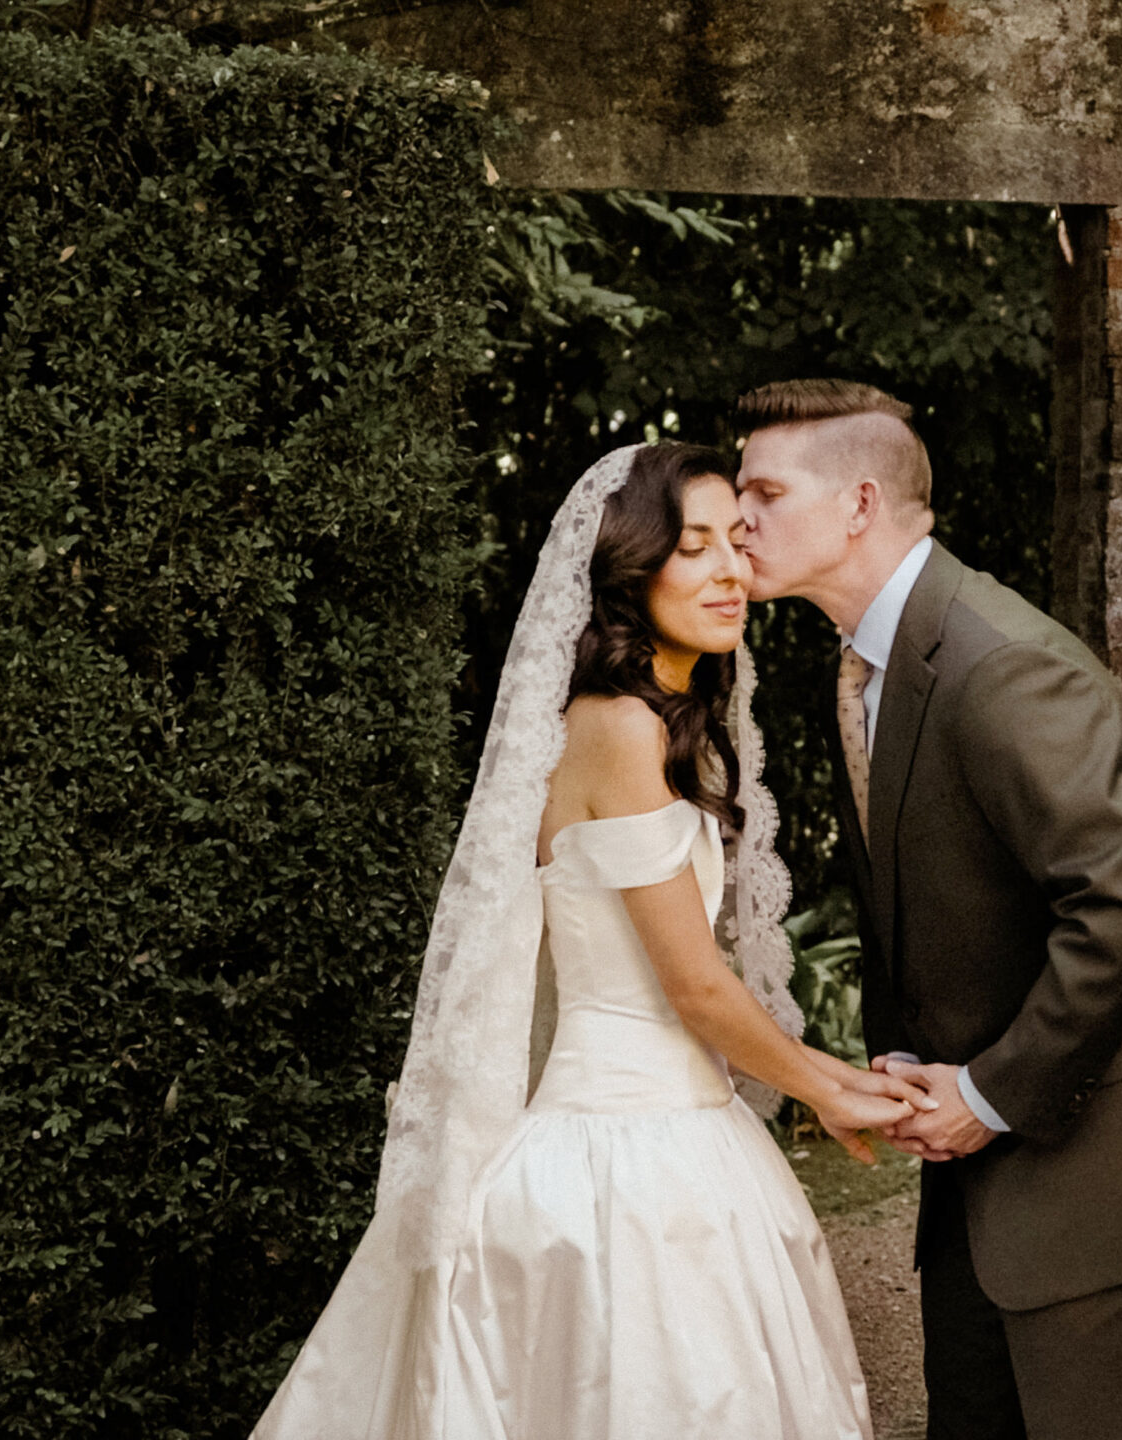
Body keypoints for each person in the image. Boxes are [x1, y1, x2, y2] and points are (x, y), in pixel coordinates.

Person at [250, 441, 924, 1440]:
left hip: (673, 1131)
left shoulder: (646, 723)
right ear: (629, 567)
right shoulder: (614, 728)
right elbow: (693, 988)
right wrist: (826, 1085)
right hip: (623, 1165)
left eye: (736, 543)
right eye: (694, 548)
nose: (731, 571)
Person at [733, 380, 1122, 1440]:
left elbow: (1120, 914)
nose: (737, 519)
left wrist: (988, 1092)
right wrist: (908, 1062)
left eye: (763, 492)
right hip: (983, 1194)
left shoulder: (1002, 664)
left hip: (1104, 1173)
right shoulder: (867, 663)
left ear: (859, 503)